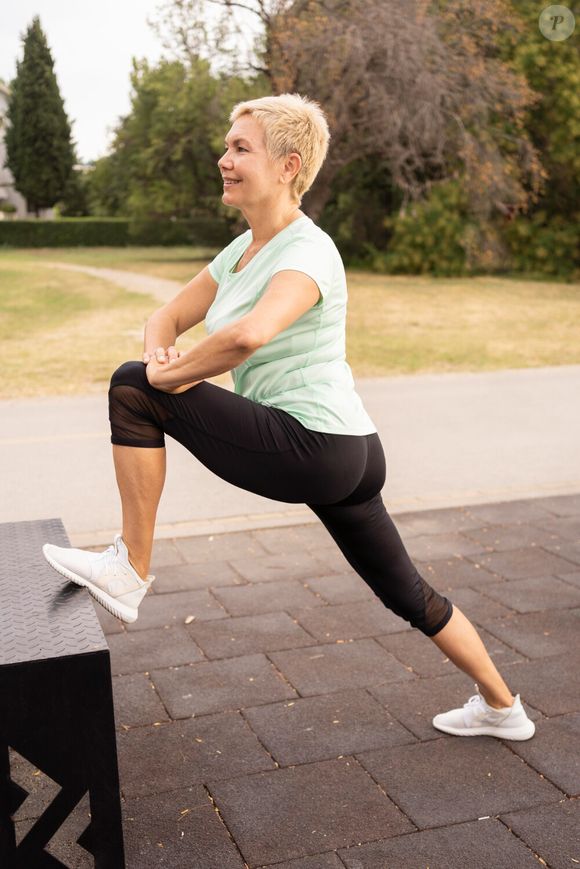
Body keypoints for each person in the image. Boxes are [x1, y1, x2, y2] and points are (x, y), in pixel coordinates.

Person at [43, 93, 535, 741]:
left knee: (133, 388)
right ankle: (504, 707)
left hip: (317, 446)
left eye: (240, 148)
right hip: (350, 449)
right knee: (404, 590)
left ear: (287, 165)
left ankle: (130, 567)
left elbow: (250, 335)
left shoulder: (309, 250)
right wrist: (160, 353)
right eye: (227, 146)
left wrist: (164, 375)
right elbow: (164, 316)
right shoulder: (243, 251)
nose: (224, 158)